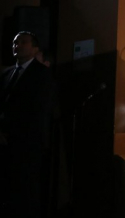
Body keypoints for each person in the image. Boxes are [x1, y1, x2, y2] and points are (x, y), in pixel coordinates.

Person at [0, 31, 56, 217]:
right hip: (4, 142)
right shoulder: (6, 73)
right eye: (15, 42)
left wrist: (14, 134)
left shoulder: (42, 74)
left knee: (26, 191)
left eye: (23, 42)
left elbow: (38, 110)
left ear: (35, 49)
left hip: (27, 144)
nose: (17, 46)